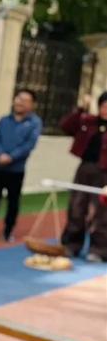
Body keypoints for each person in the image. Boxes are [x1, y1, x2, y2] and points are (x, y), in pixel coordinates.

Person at [0, 89, 42, 242]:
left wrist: (11, 157)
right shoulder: (4, 120)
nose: (20, 102)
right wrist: (0, 154)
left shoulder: (34, 123)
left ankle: (8, 230)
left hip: (16, 169)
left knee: (13, 201)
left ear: (32, 105)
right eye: (18, 98)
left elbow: (29, 144)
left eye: (25, 100)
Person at [59, 92, 107, 262]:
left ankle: (99, 249)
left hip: (105, 173)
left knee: (101, 212)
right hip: (85, 168)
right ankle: (71, 245)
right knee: (77, 207)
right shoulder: (88, 121)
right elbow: (66, 126)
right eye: (103, 105)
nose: (105, 109)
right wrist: (81, 109)